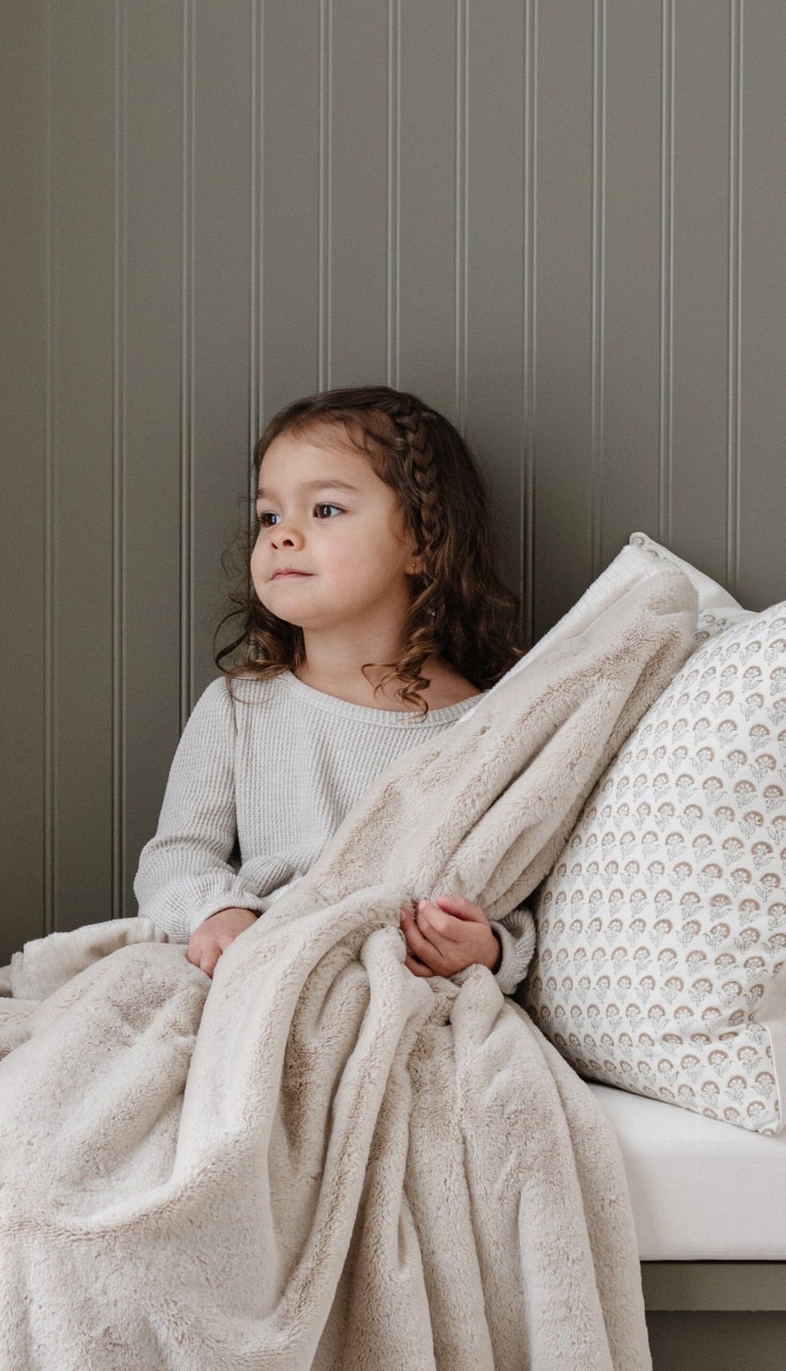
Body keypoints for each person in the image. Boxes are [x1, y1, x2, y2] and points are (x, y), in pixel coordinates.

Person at [134, 384, 536, 989]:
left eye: (324, 510)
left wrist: (491, 953)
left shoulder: (489, 728)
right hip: (258, 969)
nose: (281, 535)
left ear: (423, 542)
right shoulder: (241, 708)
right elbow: (173, 857)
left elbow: (522, 905)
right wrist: (218, 911)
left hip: (398, 990)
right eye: (270, 515)